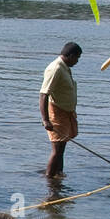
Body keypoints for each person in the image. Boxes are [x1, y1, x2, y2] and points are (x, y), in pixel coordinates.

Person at [40, 41, 82, 180]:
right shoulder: (56, 68)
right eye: (77, 58)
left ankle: (58, 175)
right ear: (70, 55)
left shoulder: (64, 67)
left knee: (61, 148)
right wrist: (46, 119)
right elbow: (44, 94)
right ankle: (50, 180)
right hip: (57, 113)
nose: (77, 62)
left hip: (65, 113)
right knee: (57, 150)